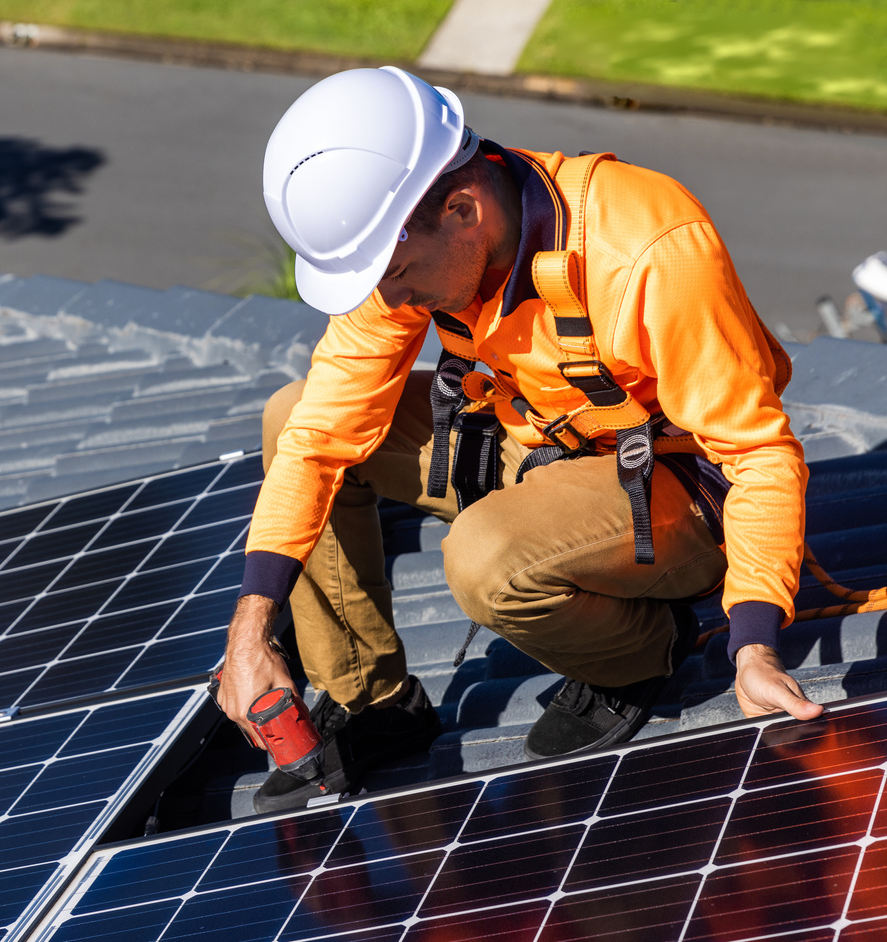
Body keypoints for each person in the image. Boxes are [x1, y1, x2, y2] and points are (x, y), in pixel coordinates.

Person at [215, 67, 825, 814]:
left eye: (397, 274)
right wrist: (250, 629)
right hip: (539, 445)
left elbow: (758, 456)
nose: (392, 301)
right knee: (291, 412)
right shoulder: (418, 249)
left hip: (676, 492)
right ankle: (372, 700)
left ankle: (638, 652)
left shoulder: (647, 248)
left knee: (485, 558)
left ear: (464, 209)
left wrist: (754, 642)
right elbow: (315, 437)